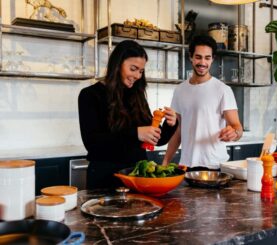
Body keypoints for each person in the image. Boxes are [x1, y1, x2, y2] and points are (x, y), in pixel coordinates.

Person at [78, 40, 178, 191]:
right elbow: (93, 143)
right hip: (105, 178)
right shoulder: (90, 95)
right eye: (133, 69)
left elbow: (155, 140)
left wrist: (170, 125)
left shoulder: (137, 96)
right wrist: (136, 133)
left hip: (137, 177)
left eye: (141, 71)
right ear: (117, 64)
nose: (137, 75)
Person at [162, 35, 243, 170]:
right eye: (198, 57)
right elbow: (177, 131)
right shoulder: (180, 90)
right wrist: (165, 162)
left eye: (207, 58)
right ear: (191, 57)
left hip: (215, 165)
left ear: (212, 59)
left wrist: (234, 134)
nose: (202, 62)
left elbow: (237, 127)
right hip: (187, 165)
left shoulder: (223, 90)